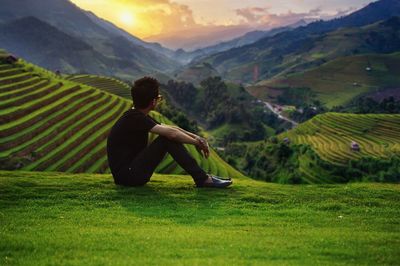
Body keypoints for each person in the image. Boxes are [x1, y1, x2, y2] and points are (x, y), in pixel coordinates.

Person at [106, 76, 232, 188]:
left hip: (129, 174)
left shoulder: (136, 116)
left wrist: (198, 138)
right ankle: (203, 179)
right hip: (128, 177)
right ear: (153, 102)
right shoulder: (135, 118)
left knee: (167, 136)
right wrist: (196, 143)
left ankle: (203, 178)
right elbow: (171, 134)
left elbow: (171, 128)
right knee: (167, 139)